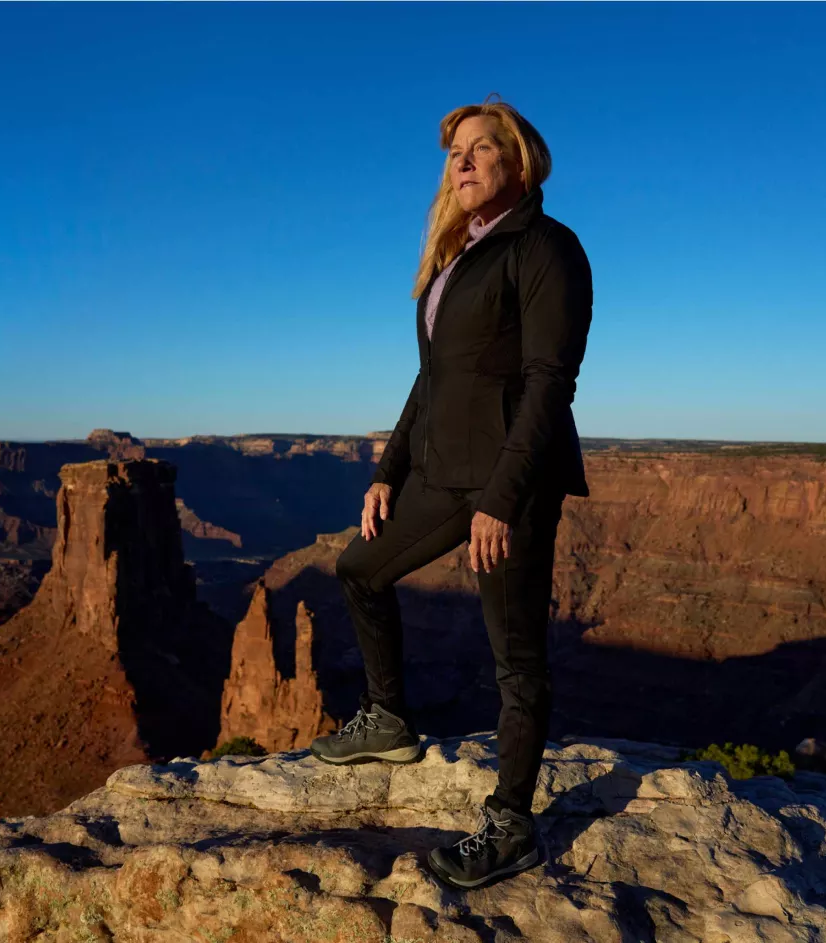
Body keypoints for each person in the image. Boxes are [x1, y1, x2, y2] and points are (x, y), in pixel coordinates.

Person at [307, 98, 594, 891]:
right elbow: (429, 381)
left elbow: (550, 382)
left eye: (481, 147)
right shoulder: (457, 256)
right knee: (359, 568)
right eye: (455, 152)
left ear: (519, 160)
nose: (462, 162)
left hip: (511, 479)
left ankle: (512, 824)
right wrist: (387, 471)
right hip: (443, 472)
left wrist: (502, 496)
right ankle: (388, 717)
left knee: (515, 657)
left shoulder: (546, 248)